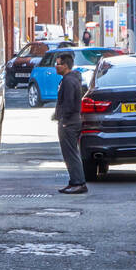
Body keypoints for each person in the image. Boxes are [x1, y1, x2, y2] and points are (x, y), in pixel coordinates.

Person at [53, 52, 88, 194]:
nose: (56, 66)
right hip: (71, 121)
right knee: (69, 153)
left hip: (69, 123)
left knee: (71, 154)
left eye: (58, 63)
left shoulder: (68, 81)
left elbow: (69, 103)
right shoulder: (71, 79)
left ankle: (79, 183)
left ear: (65, 66)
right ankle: (74, 181)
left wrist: (64, 120)